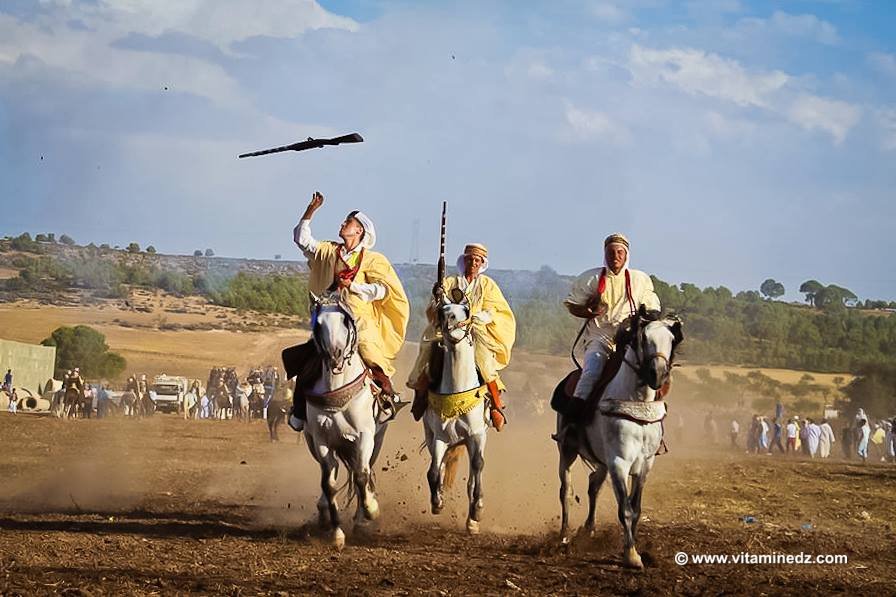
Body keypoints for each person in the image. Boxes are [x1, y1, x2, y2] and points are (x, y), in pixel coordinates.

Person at [289, 191, 410, 431]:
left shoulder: (373, 260)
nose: (343, 224)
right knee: (309, 359)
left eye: (348, 222)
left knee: (369, 351)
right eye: (345, 221)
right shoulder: (328, 250)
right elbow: (302, 240)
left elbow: (384, 290)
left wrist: (352, 286)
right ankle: (300, 409)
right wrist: (310, 211)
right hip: (329, 316)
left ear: (359, 231)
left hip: (360, 320)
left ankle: (388, 397)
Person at [407, 243, 516, 430]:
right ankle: (421, 396)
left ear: (482, 263)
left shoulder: (487, 285)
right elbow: (434, 310)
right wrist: (437, 297)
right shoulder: (449, 282)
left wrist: (474, 318)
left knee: (483, 359)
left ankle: (496, 405)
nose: (473, 263)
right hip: (447, 329)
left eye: (477, 260)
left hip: (475, 331)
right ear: (464, 261)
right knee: (428, 350)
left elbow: (494, 311)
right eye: (470, 259)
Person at [562, 234, 661, 420]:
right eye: (610, 253)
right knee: (591, 373)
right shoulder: (590, 278)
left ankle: (656, 428)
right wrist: (588, 311)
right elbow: (572, 305)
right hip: (599, 338)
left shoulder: (640, 279)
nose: (615, 257)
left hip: (631, 339)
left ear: (626, 255)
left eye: (619, 253)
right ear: (604, 254)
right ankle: (573, 425)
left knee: (654, 373)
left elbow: (652, 308)